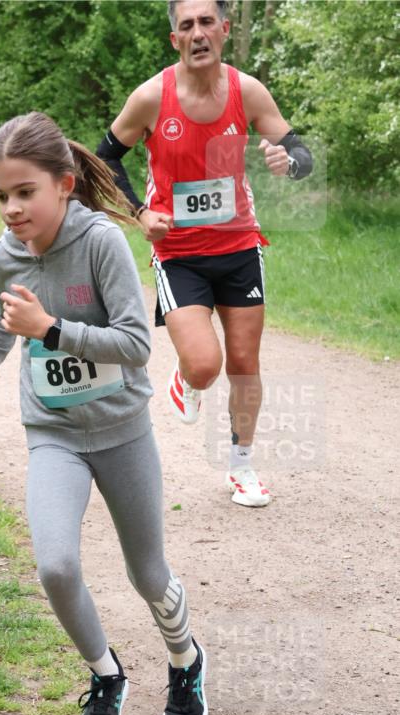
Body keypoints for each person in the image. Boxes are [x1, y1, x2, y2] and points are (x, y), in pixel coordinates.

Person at [0, 111, 207, 715]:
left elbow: (136, 345)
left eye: (24, 192)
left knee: (147, 573)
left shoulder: (101, 242)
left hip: (121, 429)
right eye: (1, 195)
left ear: (63, 183)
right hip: (51, 430)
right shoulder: (3, 256)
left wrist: (51, 329)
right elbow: (8, 319)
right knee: (55, 565)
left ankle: (185, 662)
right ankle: (106, 675)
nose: (11, 209)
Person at [96, 0, 313, 508]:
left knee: (243, 361)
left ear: (223, 30)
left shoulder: (247, 91)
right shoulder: (151, 97)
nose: (197, 33)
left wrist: (289, 164)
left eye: (206, 22)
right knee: (204, 365)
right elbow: (105, 158)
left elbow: (298, 151)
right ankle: (186, 379)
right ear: (175, 39)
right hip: (179, 254)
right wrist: (138, 214)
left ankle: (242, 467)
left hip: (239, 246)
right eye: (186, 25)